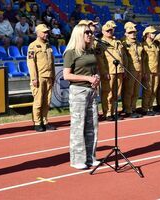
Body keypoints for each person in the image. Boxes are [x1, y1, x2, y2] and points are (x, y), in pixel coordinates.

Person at [62, 24, 100, 170]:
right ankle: (77, 159)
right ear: (79, 34)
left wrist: (95, 77)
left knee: (92, 125)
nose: (90, 34)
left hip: (91, 90)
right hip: (78, 91)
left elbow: (92, 69)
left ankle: (91, 157)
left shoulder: (90, 51)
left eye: (91, 32)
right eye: (87, 32)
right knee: (79, 126)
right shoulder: (71, 52)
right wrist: (88, 78)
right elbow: (66, 75)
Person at [27, 24, 56, 132]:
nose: (46, 34)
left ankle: (45, 121)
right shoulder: (33, 46)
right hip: (39, 78)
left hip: (48, 77)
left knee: (46, 101)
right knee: (38, 101)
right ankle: (37, 122)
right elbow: (31, 63)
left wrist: (53, 75)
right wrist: (34, 78)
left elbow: (51, 63)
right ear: (38, 33)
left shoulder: (48, 46)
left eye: (47, 32)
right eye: (44, 32)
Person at [98, 21, 127, 120]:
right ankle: (107, 113)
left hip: (119, 70)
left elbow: (123, 56)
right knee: (108, 93)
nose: (110, 32)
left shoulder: (117, 42)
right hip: (109, 71)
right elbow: (100, 59)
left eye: (111, 30)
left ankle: (113, 111)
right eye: (107, 30)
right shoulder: (101, 43)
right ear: (103, 31)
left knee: (116, 93)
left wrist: (124, 69)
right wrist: (104, 72)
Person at [121, 22, 143, 118]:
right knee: (128, 91)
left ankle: (133, 108)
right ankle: (128, 109)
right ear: (126, 33)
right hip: (130, 70)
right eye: (130, 32)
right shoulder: (124, 43)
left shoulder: (138, 43)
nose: (133, 34)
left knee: (136, 91)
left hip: (139, 70)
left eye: (134, 32)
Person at [141, 26, 160, 116]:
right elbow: (143, 61)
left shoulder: (154, 45)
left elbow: (157, 59)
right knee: (147, 90)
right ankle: (145, 108)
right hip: (148, 71)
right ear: (147, 34)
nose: (154, 34)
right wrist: (144, 72)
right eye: (152, 33)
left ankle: (150, 107)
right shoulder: (144, 45)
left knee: (154, 90)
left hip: (156, 70)